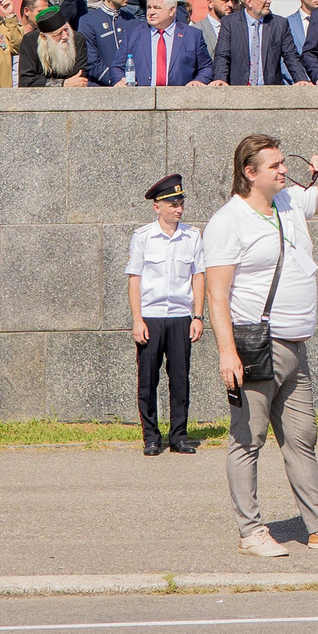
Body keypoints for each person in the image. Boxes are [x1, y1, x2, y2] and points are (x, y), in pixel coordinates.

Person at [203, 134, 318, 557]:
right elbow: (217, 294)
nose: (284, 170)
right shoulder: (228, 221)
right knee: (248, 439)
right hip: (257, 345)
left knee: (302, 438)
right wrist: (227, 352)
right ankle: (251, 532)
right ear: (249, 172)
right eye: (275, 165)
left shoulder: (290, 201)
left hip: (297, 343)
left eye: (284, 163)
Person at [127, 173, 204, 456]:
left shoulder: (192, 236)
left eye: (180, 202)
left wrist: (198, 316)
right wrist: (137, 320)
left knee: (180, 378)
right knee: (148, 379)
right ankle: (151, 436)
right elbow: (134, 279)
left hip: (181, 317)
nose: (178, 208)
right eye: (172, 204)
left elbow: (198, 276)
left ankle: (179, 436)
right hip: (151, 316)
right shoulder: (143, 237)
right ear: (157, 207)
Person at [216, 0, 302, 88]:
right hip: (239, 91)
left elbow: (291, 55)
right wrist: (220, 79)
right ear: (249, 2)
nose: (269, 1)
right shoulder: (230, 23)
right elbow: (222, 55)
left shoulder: (279, 24)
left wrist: (300, 79)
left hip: (271, 91)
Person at [128, 0, 215, 87]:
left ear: (172, 10)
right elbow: (117, 67)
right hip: (142, 97)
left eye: (157, 8)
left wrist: (199, 81)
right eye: (149, 7)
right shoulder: (133, 34)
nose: (151, 12)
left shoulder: (193, 35)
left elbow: (206, 67)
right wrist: (121, 80)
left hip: (180, 97)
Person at [76, 0, 139, 87]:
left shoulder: (133, 21)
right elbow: (91, 61)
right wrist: (115, 79)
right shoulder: (88, 21)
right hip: (103, 88)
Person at [17, 4, 90, 87]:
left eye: (66, 29)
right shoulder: (29, 41)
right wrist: (61, 84)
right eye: (59, 33)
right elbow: (26, 80)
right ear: (44, 37)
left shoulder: (77, 39)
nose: (65, 36)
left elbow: (80, 78)